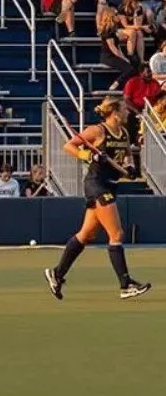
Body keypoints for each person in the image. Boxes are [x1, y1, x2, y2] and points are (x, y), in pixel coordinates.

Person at [45, 97, 150, 301]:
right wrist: (90, 156)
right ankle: (125, 284)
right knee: (117, 233)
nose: (128, 114)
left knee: (86, 235)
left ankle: (56, 274)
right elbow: (69, 146)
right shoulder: (97, 131)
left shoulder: (124, 133)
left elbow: (126, 154)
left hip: (111, 183)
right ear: (115, 113)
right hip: (97, 184)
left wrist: (128, 167)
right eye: (125, 111)